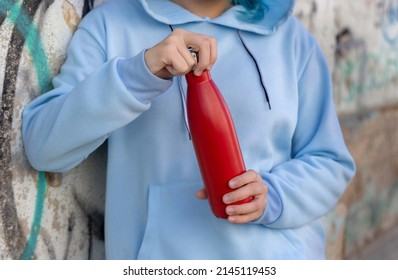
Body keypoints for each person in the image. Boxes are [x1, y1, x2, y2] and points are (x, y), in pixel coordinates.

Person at [22, 0, 355, 259]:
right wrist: (139, 73)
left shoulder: (294, 41)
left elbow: (330, 162)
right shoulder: (110, 25)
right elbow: (44, 146)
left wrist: (275, 196)